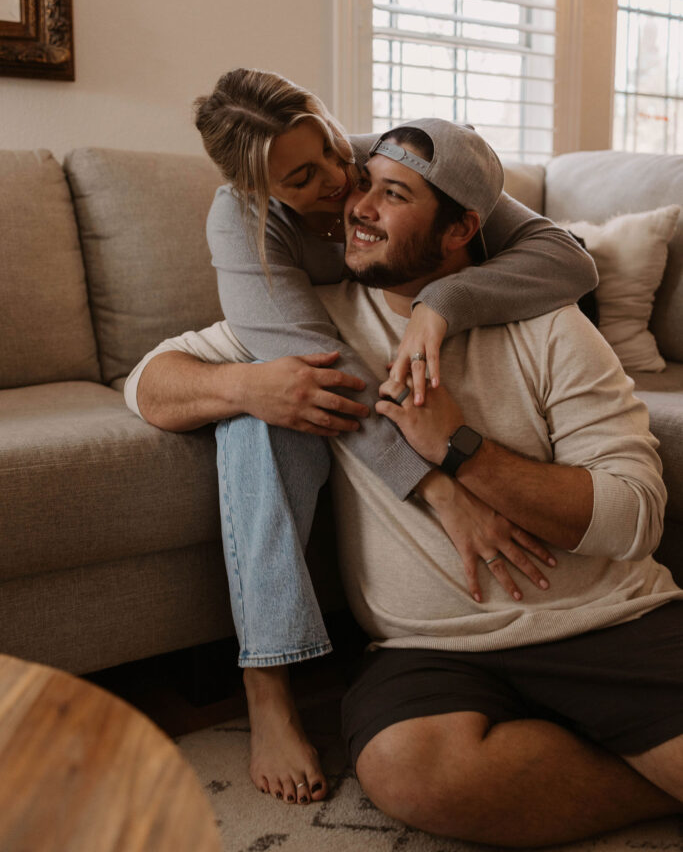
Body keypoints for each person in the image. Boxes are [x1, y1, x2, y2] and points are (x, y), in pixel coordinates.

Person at [131, 119, 683, 845]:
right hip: (432, 648)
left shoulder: (551, 327)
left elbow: (632, 516)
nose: (356, 207)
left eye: (392, 195)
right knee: (405, 772)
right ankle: (649, 776)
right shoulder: (309, 329)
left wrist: (459, 449)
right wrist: (247, 387)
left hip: (605, 624)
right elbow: (150, 383)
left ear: (459, 229)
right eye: (361, 185)